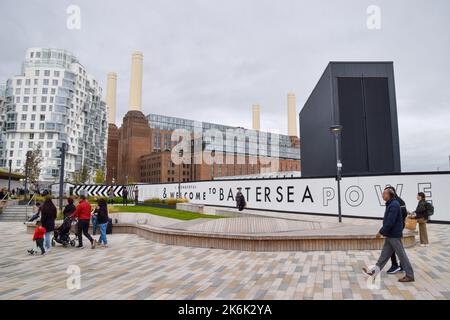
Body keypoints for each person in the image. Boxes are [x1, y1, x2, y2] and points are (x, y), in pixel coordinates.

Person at [363, 187, 415, 282]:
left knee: (402, 256)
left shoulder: (394, 205)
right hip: (391, 235)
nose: (382, 195)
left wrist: (381, 231)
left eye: (384, 194)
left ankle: (410, 275)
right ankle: (374, 272)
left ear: (389, 195)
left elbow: (390, 221)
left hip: (394, 235)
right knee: (384, 256)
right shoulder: (391, 204)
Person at [385, 186, 408, 275]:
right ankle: (401, 266)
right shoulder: (392, 201)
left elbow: (402, 214)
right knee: (396, 248)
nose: (384, 195)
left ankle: (397, 266)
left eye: (385, 193)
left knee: (397, 249)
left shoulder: (397, 202)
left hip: (395, 230)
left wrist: (393, 227)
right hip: (394, 229)